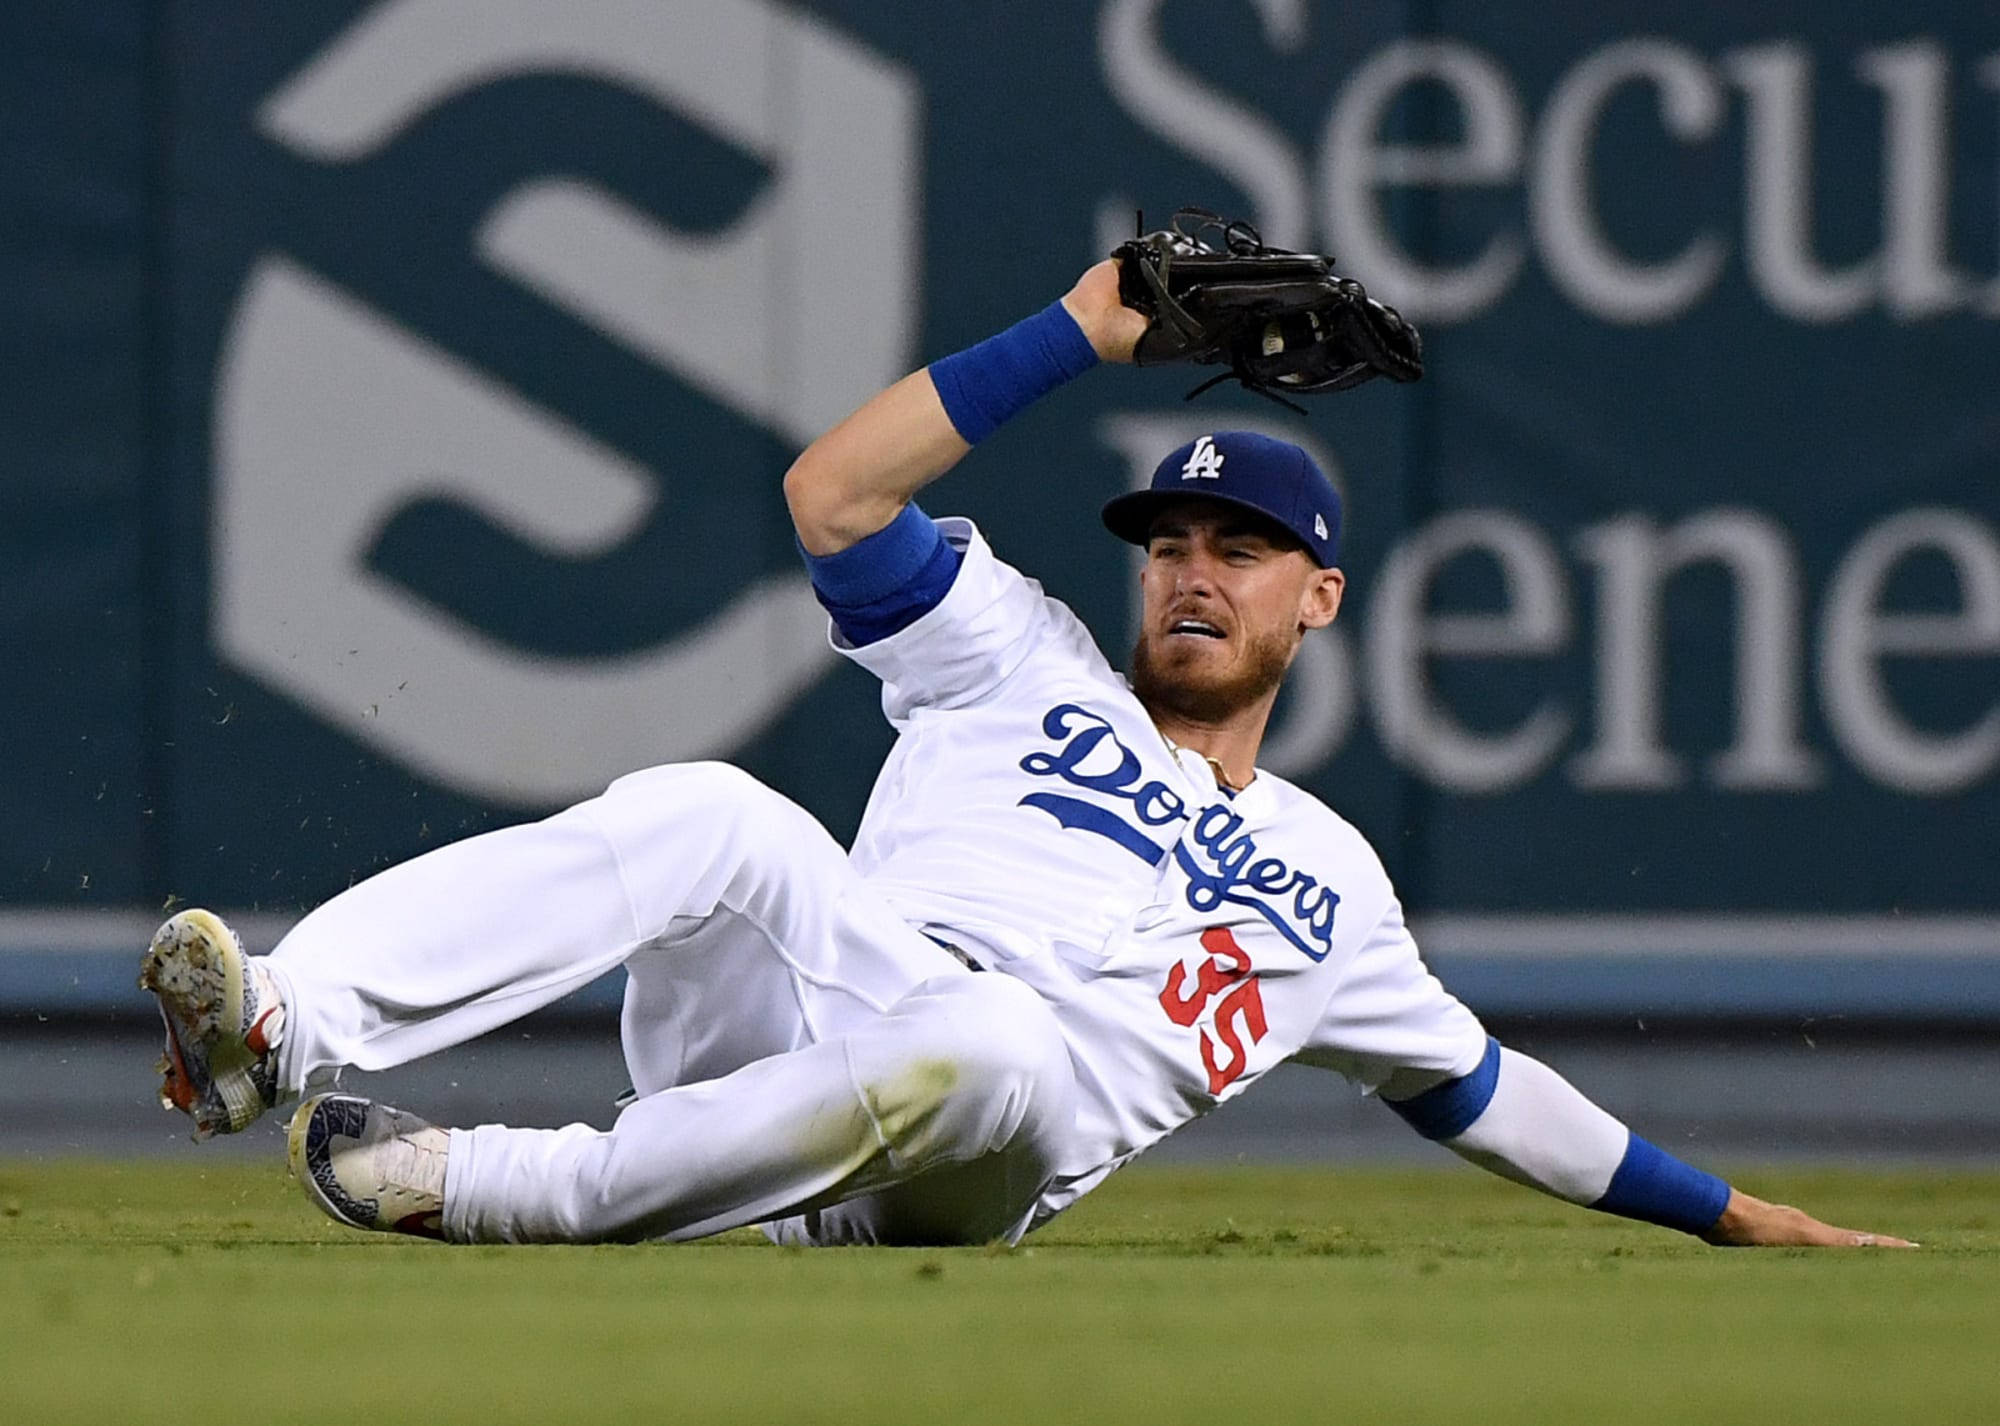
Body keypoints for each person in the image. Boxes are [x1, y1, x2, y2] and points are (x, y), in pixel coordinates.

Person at [143, 258, 1908, 1250]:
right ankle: (277, 1030)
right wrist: (1080, 329)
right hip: (807, 1034)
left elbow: (1485, 1090)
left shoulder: (1334, 884)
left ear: (1319, 597)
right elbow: (834, 496)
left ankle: (484, 1184)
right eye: (1171, 542)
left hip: (966, 1153)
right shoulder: (1017, 657)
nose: (1194, 569)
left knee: (993, 1041)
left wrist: (1734, 1216)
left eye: (1240, 550)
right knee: (710, 810)